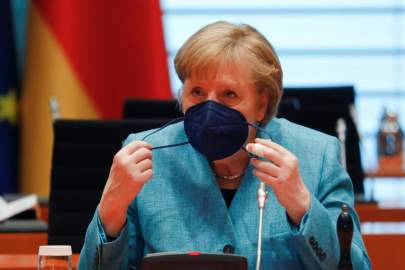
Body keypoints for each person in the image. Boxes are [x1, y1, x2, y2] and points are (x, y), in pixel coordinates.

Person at [78, 21, 371, 269]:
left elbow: (355, 264)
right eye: (197, 92)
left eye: (229, 94)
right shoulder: (146, 155)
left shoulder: (316, 156)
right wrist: (111, 209)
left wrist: (303, 206)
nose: (209, 107)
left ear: (261, 103)